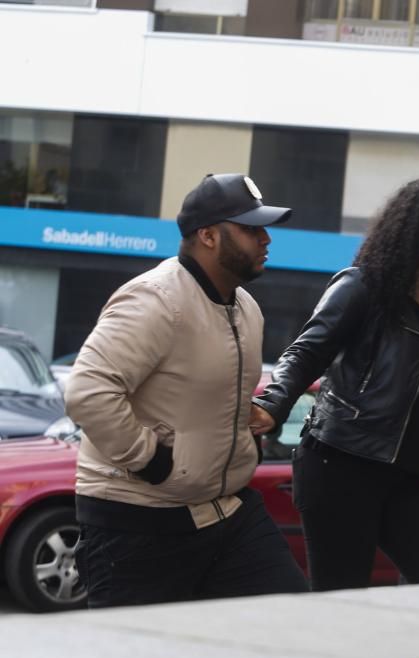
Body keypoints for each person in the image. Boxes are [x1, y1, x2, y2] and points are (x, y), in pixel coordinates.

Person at [250, 176, 419, 591]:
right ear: (411, 226)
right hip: (340, 464)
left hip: (402, 474)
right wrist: (272, 402)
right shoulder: (362, 285)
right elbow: (307, 351)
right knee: (341, 601)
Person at [65, 173, 308, 607]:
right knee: (134, 642)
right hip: (137, 520)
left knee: (289, 618)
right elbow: (88, 390)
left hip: (225, 510)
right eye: (251, 228)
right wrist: (152, 461)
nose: (266, 239)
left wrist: (245, 422)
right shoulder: (155, 299)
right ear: (208, 236)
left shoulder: (246, 308)